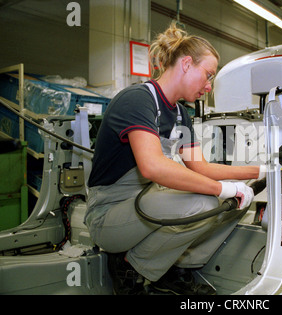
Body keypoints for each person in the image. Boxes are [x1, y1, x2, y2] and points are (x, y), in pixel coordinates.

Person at [84, 23, 265, 295]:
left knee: (231, 204)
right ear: (186, 64)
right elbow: (153, 166)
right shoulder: (137, 100)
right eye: (207, 75)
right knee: (205, 201)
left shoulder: (180, 114)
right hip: (108, 214)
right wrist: (223, 188)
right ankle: (129, 268)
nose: (208, 86)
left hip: (143, 201)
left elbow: (201, 167)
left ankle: (172, 269)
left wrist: (260, 171)